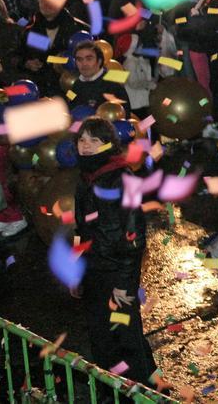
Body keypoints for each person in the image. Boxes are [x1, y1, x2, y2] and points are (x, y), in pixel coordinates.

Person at [73, 117, 159, 387]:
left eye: (93, 140)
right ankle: (112, 387)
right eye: (82, 140)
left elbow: (134, 237)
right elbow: (82, 230)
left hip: (118, 273)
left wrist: (123, 283)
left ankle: (141, 388)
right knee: (102, 334)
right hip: (94, 271)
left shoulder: (122, 178)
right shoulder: (85, 179)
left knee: (126, 334)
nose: (85, 146)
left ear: (108, 144)